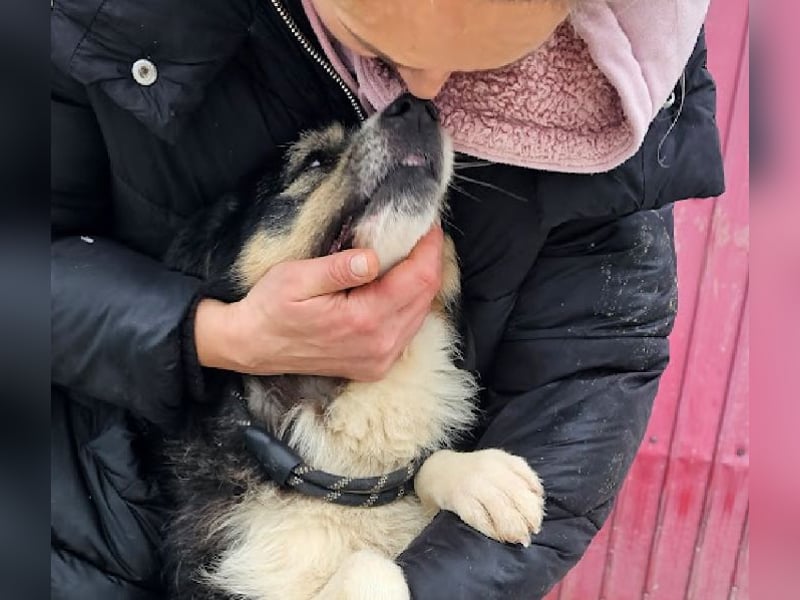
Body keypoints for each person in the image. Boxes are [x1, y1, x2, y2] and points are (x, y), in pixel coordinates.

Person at [50, 0, 724, 598]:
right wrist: (216, 334)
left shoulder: (623, 82)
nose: (421, 90)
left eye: (480, 52)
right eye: (381, 38)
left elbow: (593, 370)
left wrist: (415, 568)